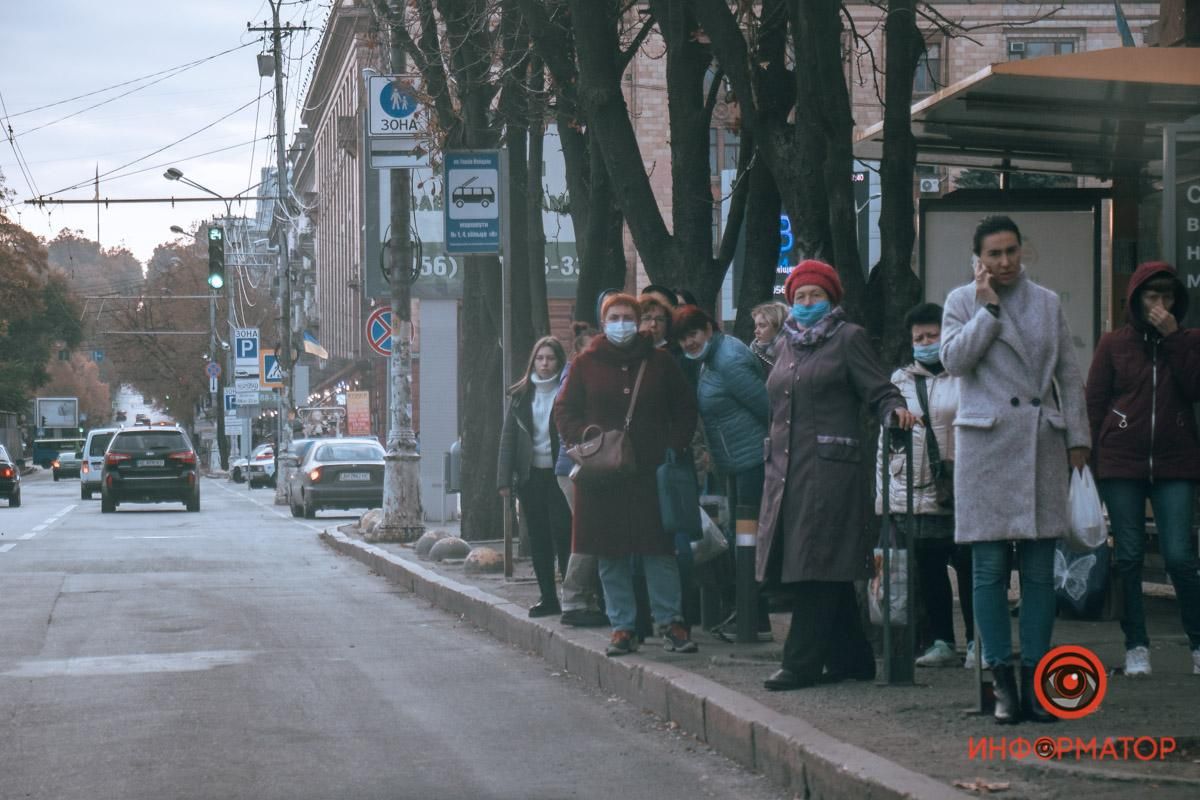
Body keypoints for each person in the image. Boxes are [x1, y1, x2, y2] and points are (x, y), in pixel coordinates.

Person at [941, 215, 1090, 724]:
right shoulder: (963, 300)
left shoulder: (1048, 302)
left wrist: (1078, 439)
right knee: (986, 570)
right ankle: (1001, 682)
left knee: (1038, 572)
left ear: (1022, 250)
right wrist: (986, 311)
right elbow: (953, 362)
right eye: (994, 254)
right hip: (985, 443)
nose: (1004, 262)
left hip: (1039, 442)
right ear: (979, 258)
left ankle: (1038, 684)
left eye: (1011, 251)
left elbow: (1069, 375)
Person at [757, 260, 916, 691]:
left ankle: (801, 662)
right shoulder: (786, 344)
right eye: (800, 297)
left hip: (830, 471)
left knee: (814, 563)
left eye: (816, 296)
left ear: (832, 299)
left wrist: (894, 411)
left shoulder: (848, 338)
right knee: (819, 560)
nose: (808, 304)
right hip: (786, 471)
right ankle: (853, 658)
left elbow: (880, 389)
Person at [555, 293, 699, 656]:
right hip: (602, 475)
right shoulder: (586, 363)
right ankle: (622, 627)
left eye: (627, 317)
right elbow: (564, 409)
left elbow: (684, 407)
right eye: (614, 317)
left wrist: (675, 445)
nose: (622, 323)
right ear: (604, 323)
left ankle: (671, 623)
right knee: (609, 552)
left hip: (651, 471)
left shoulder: (660, 361)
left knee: (658, 550)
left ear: (638, 322)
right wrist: (584, 444)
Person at [1085, 261, 1200, 677]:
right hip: (1122, 462)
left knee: (1180, 557)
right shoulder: (1113, 344)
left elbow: (1195, 388)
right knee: (1130, 556)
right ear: (1136, 300)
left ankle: (1198, 644)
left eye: (1167, 296)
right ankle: (1136, 646)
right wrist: (1090, 464)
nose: (1160, 305)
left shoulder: (1189, 341)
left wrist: (1175, 340)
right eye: (1152, 296)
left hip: (1176, 462)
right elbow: (1094, 403)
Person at [875, 302, 974, 669]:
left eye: (932, 335)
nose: (926, 342)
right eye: (919, 337)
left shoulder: (966, 375)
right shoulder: (900, 379)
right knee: (930, 568)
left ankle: (979, 641)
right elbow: (886, 446)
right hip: (919, 488)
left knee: (969, 565)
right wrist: (885, 498)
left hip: (963, 485)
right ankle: (942, 641)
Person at [498, 336, 572, 618]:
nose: (544, 363)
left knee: (564, 535)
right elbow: (508, 439)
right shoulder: (521, 395)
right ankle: (548, 597)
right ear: (533, 361)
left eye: (550, 358)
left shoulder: (566, 390)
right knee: (538, 539)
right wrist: (504, 480)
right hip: (531, 476)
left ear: (559, 362)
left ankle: (572, 597)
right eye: (540, 358)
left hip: (559, 475)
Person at [555, 324, 609, 627]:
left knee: (594, 530)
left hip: (585, 464)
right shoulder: (575, 376)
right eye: (590, 350)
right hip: (576, 466)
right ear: (578, 353)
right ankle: (574, 599)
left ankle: (587, 598)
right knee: (589, 531)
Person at [749, 300, 790, 373]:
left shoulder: (795, 353)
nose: (756, 331)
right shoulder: (752, 356)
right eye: (756, 326)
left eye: (762, 326)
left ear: (778, 327)